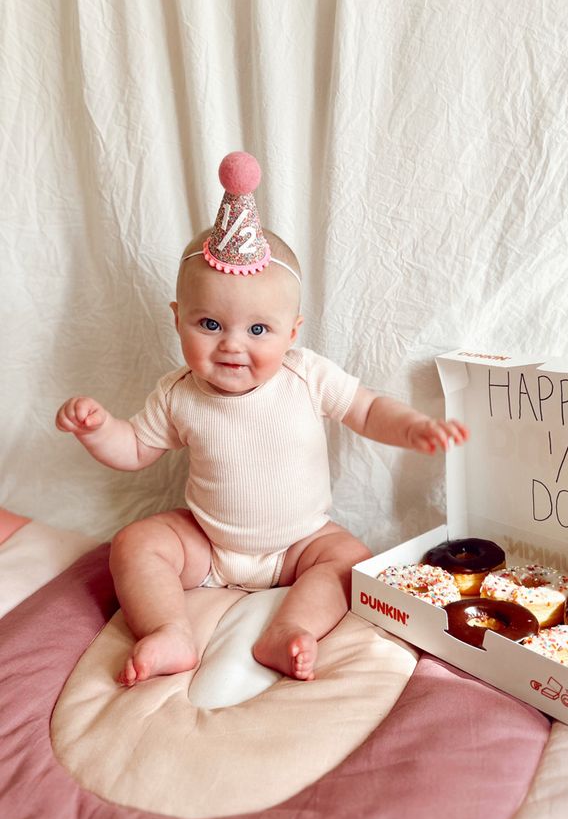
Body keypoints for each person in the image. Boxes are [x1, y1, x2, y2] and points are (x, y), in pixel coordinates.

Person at [56, 153, 468, 686]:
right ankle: (169, 631)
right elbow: (134, 449)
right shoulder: (178, 393)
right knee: (135, 543)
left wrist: (411, 428)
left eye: (258, 330)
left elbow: (364, 408)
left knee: (351, 560)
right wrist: (98, 430)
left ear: (292, 332)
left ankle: (289, 629)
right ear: (176, 318)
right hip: (207, 545)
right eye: (209, 323)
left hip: (299, 545)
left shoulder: (305, 375)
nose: (231, 345)